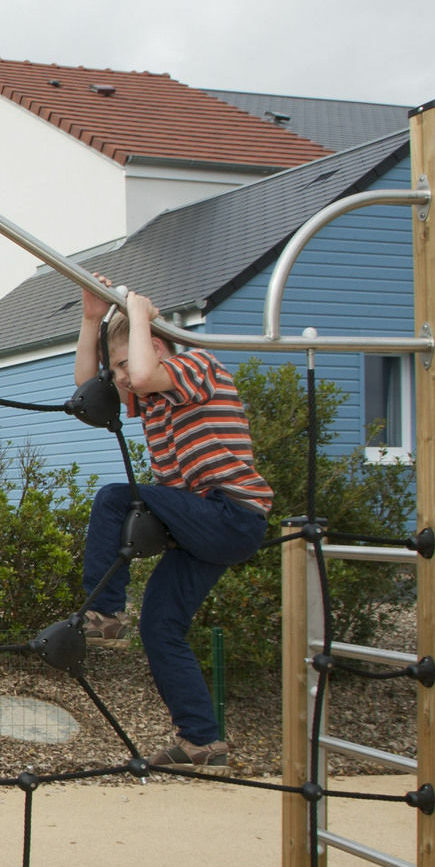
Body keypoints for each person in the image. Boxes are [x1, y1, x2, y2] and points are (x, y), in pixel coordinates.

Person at [75, 282, 272, 772]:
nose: (120, 378)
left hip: (232, 514)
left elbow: (143, 370)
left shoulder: (196, 367)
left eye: (122, 366)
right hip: (198, 523)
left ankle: (103, 613)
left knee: (115, 498)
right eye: (117, 368)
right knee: (162, 626)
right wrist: (90, 319)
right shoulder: (152, 396)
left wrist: (137, 313)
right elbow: (86, 396)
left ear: (156, 345)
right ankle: (202, 742)